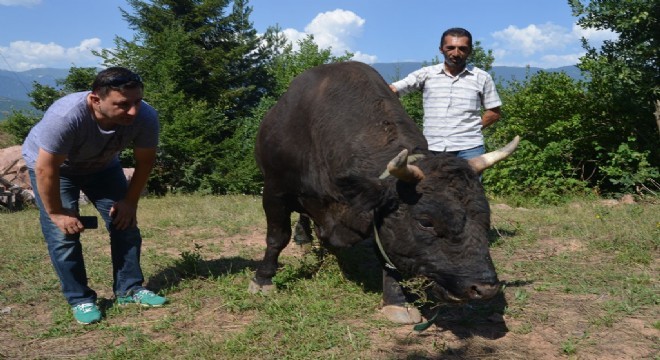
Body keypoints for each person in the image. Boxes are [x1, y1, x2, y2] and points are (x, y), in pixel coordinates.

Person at [22, 67, 166, 325]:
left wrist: (129, 202)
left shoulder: (145, 116)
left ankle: (130, 290)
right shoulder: (65, 116)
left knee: (125, 224)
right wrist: (56, 213)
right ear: (95, 100)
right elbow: (46, 168)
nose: (133, 111)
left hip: (103, 166)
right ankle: (81, 299)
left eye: (137, 101)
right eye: (123, 105)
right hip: (57, 170)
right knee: (64, 234)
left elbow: (145, 162)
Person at [389, 27, 502, 160]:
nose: (456, 53)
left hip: (470, 148)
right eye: (450, 48)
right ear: (441, 49)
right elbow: (393, 90)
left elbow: (494, 113)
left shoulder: (482, 77)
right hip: (432, 147)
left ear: (470, 51)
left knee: (469, 181)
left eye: (462, 48)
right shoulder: (425, 74)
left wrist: (472, 130)